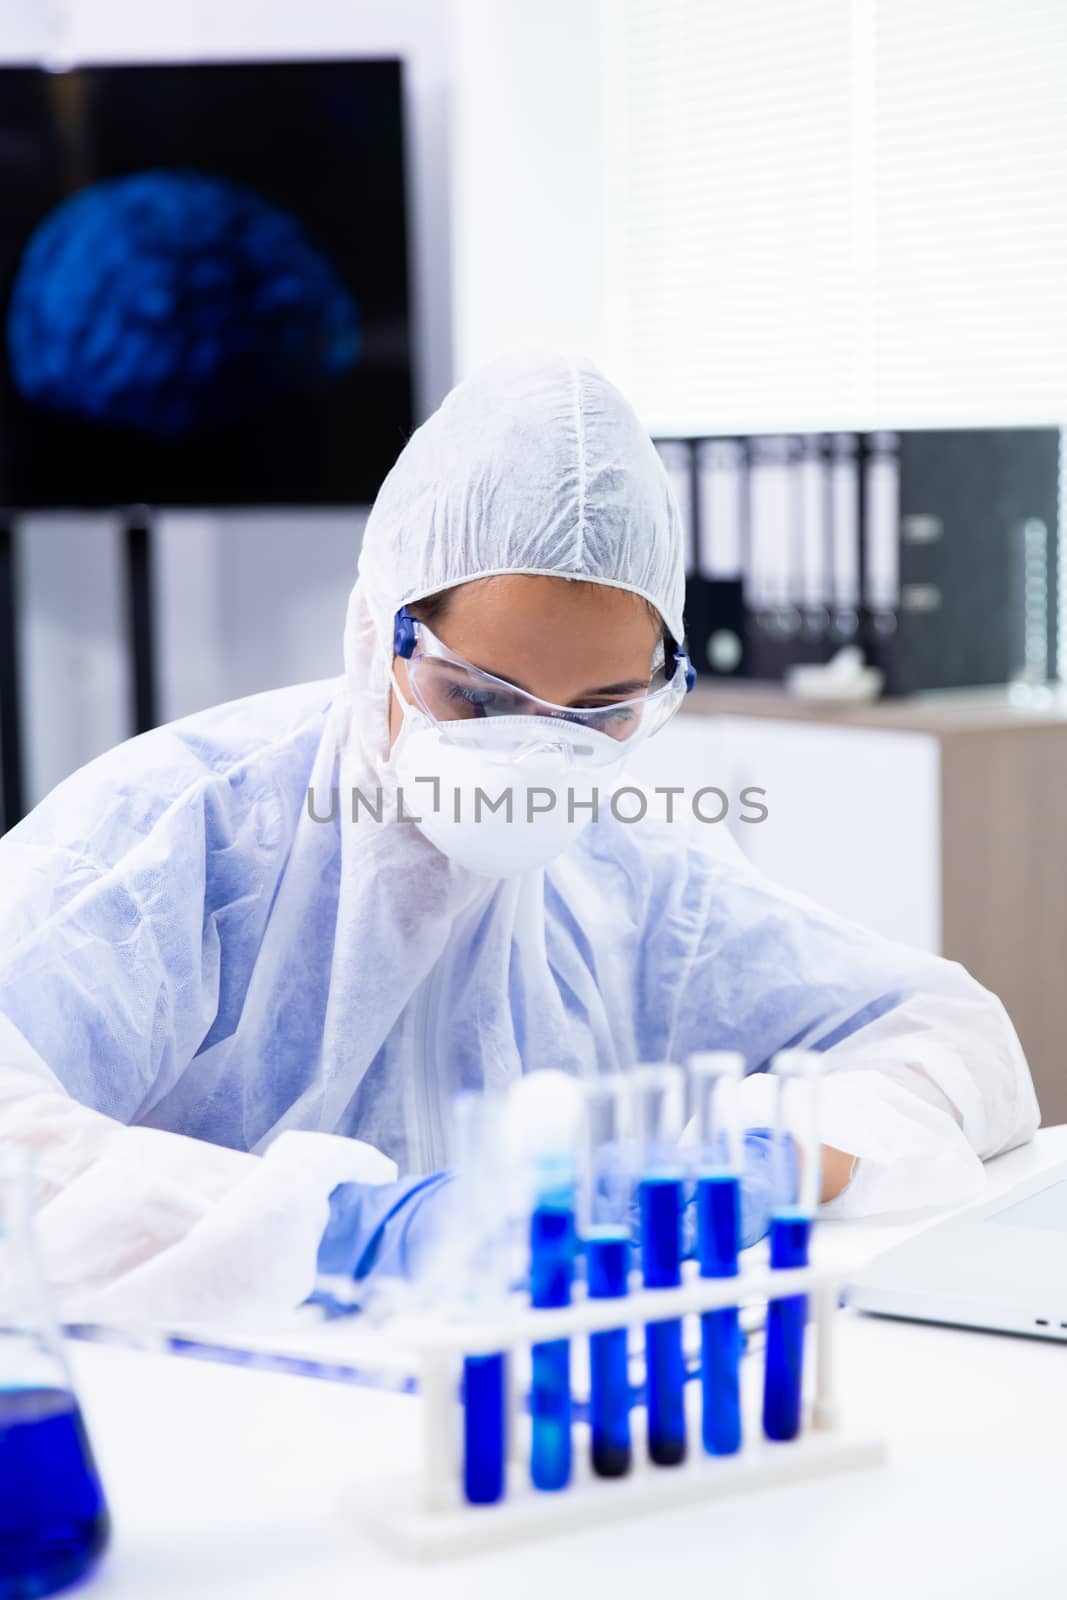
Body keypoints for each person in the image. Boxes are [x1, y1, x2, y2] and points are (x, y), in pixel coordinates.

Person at [0, 353, 1039, 1325]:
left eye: (597, 713)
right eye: (475, 695)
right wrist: (351, 1233)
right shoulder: (184, 836)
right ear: (379, 631)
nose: (533, 756)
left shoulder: (634, 878)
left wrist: (775, 1153)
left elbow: (948, 1033)